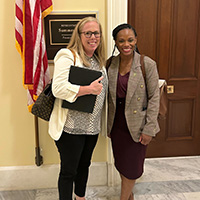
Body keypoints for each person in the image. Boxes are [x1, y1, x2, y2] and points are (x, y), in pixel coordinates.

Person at [48, 17, 108, 200]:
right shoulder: (68, 55)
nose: (93, 37)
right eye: (88, 33)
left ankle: (80, 197)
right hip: (70, 128)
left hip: (92, 127)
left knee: (84, 165)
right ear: (79, 35)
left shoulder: (99, 59)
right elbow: (57, 88)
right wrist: (88, 89)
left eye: (96, 33)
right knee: (69, 171)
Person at [107, 23, 160, 200]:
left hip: (138, 125)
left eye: (130, 40)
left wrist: (149, 129)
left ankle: (123, 198)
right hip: (117, 124)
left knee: (132, 167)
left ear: (136, 40)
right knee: (121, 164)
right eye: (121, 41)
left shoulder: (147, 64)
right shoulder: (110, 64)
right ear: (115, 42)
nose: (126, 44)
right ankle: (129, 196)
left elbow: (154, 98)